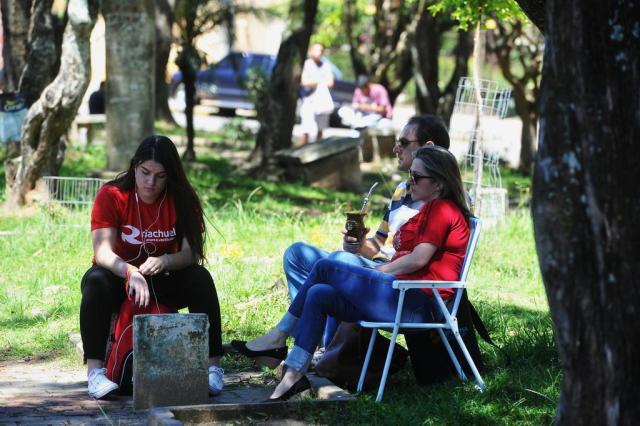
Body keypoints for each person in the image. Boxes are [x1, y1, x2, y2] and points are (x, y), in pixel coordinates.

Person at [232, 146, 472, 400]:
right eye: (410, 174)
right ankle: (294, 374)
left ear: (439, 184)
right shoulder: (428, 209)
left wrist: (376, 273)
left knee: (326, 267)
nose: (409, 181)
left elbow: (418, 259)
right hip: (403, 296)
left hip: (418, 303)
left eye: (416, 177)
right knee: (319, 293)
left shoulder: (441, 210)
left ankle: (278, 337)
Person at [282, 115, 451, 348]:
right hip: (381, 269)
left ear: (427, 147)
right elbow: (379, 245)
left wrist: (371, 268)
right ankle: (312, 340)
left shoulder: (446, 202)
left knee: (341, 262)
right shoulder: (402, 191)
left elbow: (423, 261)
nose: (395, 148)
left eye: (403, 142)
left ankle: (317, 347)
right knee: (297, 254)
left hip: (400, 282)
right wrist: (358, 245)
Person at [79, 135, 224, 399]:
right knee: (95, 282)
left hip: (162, 277)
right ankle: (95, 374)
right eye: (145, 172)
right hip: (120, 275)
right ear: (135, 166)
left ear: (170, 175)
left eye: (160, 176)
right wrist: (130, 272)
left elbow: (191, 253)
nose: (150, 182)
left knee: (200, 278)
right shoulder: (112, 195)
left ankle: (213, 367)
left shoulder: (182, 198)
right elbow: (102, 251)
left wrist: (165, 261)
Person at [299, 43, 335, 145]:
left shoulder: (326, 66)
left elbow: (330, 82)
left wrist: (316, 82)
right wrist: (320, 81)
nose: (319, 53)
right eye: (316, 50)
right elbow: (304, 82)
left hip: (322, 101)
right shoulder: (307, 64)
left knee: (320, 128)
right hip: (309, 99)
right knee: (306, 128)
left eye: (321, 51)